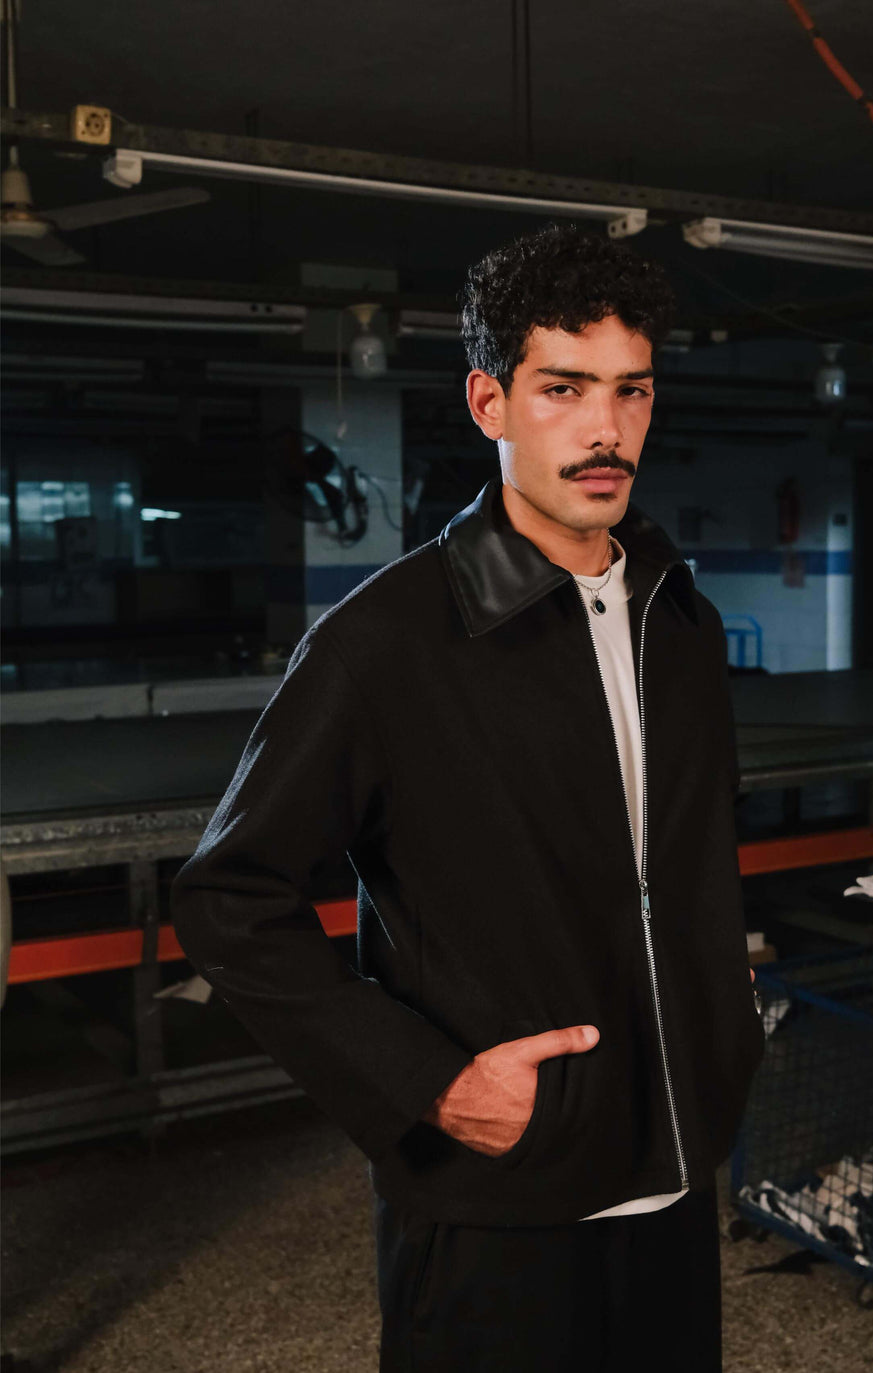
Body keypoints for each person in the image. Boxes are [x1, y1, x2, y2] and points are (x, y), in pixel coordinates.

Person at [170, 223, 765, 1372]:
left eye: (630, 391)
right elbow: (230, 898)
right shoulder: (384, 643)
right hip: (502, 1196)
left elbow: (672, 856)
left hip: (679, 1169)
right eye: (563, 388)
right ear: (489, 402)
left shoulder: (675, 620)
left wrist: (715, 1000)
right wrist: (430, 1083)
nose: (604, 429)